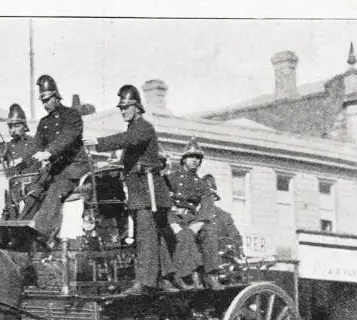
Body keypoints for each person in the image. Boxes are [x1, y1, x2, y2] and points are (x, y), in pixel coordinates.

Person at [86, 84, 172, 295]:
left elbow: (127, 140)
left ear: (138, 108)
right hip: (139, 193)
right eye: (121, 108)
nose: (123, 111)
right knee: (150, 236)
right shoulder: (134, 129)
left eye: (126, 107)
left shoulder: (143, 127)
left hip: (148, 192)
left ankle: (146, 282)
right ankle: (161, 279)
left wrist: (98, 142)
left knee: (146, 236)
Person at [21, 74, 90, 246]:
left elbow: (68, 137)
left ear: (56, 96)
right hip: (56, 170)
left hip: (74, 168)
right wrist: (21, 161)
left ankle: (42, 238)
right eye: (42, 101)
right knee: (33, 191)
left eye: (47, 100)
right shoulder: (44, 122)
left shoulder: (72, 115)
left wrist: (49, 152)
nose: (45, 105)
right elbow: (35, 144)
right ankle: (19, 231)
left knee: (54, 192)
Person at [165, 137, 222, 289]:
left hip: (191, 219)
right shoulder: (171, 178)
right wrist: (172, 222)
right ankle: (186, 275)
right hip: (172, 217)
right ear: (184, 159)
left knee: (210, 232)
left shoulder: (202, 183)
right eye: (191, 157)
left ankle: (211, 274)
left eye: (198, 158)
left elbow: (207, 204)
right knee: (185, 235)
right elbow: (163, 201)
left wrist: (200, 223)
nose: (195, 160)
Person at [0, 103, 40, 219]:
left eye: (17, 126)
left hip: (31, 185)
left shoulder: (34, 142)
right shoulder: (8, 146)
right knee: (9, 199)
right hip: (14, 186)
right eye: (11, 127)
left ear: (24, 126)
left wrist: (21, 160)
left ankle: (24, 221)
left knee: (31, 200)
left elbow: (35, 158)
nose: (13, 130)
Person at [201, 174, 245, 259]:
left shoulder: (224, 217)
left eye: (210, 195)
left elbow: (235, 238)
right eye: (204, 196)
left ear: (214, 197)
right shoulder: (192, 214)